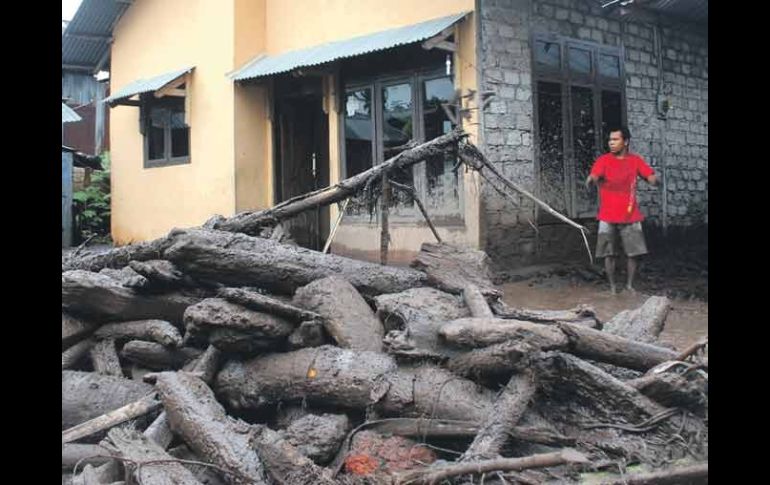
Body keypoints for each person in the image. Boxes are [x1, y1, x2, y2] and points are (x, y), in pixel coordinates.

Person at [585, 126, 657, 294]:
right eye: (610, 140)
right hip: (607, 215)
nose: (611, 143)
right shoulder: (603, 160)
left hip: (630, 215)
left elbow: (649, 175)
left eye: (615, 139)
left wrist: (654, 179)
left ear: (626, 142)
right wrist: (590, 180)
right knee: (608, 253)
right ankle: (612, 287)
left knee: (633, 253)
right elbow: (594, 175)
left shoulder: (635, 161)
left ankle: (629, 285)